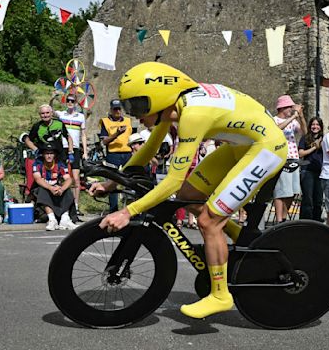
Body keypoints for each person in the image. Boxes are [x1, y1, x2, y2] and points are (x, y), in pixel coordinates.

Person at [89, 62, 287, 319]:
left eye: (138, 107)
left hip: (267, 148)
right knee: (187, 197)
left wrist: (128, 211)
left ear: (158, 99)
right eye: (128, 108)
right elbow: (149, 149)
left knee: (208, 221)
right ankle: (244, 241)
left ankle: (220, 295)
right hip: (241, 145)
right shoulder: (174, 105)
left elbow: (171, 180)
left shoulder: (193, 115)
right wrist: (112, 183)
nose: (135, 116)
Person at [272, 95, 307, 223]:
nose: (291, 110)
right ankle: (279, 219)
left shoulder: (293, 121)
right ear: (283, 108)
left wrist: (301, 116)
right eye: (289, 108)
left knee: (293, 190)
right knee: (281, 190)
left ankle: (285, 218)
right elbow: (277, 129)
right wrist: (294, 116)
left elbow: (304, 132)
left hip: (293, 158)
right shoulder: (274, 119)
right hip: (282, 158)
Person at [53, 93, 88, 215]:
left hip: (76, 148)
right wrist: (53, 98)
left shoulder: (81, 116)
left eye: (72, 101)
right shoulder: (62, 114)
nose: (70, 103)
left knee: (76, 178)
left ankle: (76, 206)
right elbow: (50, 110)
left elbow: (83, 135)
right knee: (63, 177)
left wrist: (86, 151)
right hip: (62, 148)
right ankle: (63, 205)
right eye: (68, 100)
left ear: (76, 103)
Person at [32, 144, 76, 231]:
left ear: (55, 154)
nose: (49, 156)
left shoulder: (60, 163)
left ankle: (65, 218)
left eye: (51, 153)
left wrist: (62, 189)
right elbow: (38, 179)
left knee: (67, 190)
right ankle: (52, 219)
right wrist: (50, 188)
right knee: (42, 190)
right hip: (44, 188)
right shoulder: (38, 163)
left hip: (57, 188)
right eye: (46, 153)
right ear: (43, 154)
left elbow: (69, 179)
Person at [99, 99, 133, 212]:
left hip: (127, 153)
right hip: (113, 154)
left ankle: (130, 209)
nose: (117, 111)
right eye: (115, 109)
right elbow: (104, 141)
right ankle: (113, 209)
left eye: (119, 108)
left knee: (130, 182)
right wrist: (117, 133)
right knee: (112, 182)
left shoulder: (128, 121)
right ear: (111, 110)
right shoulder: (105, 121)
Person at [298, 116, 324, 221]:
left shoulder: (325, 139)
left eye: (317, 125)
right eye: (313, 124)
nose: (315, 127)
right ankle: (306, 221)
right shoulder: (305, 138)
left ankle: (316, 221)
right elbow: (301, 153)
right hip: (307, 170)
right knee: (307, 198)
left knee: (318, 199)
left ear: (321, 127)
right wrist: (314, 147)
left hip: (320, 171)